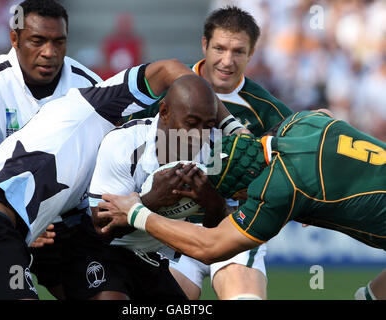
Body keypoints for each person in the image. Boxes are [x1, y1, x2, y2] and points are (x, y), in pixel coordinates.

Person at [0, 59, 239, 299]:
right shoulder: (95, 110)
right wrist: (234, 127)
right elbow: (168, 70)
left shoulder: (94, 149)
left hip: (11, 231)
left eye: (208, 126)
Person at [97, 110, 386, 300]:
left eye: (239, 195)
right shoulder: (301, 122)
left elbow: (208, 247)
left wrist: (136, 213)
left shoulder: (278, 190)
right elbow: (323, 113)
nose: (242, 200)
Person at [127, 6, 293, 300]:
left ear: (251, 53)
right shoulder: (165, 93)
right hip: (168, 232)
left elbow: (298, 165)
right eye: (219, 48)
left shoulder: (270, 111)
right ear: (204, 44)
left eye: (238, 51)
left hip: (235, 230)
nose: (227, 61)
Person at [0, 0, 103, 299]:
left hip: (63, 227)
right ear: (14, 40)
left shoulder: (89, 87)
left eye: (59, 41)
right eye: (37, 41)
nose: (49, 52)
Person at [87, 75, 227, 300]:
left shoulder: (213, 154)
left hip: (151, 255)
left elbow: (219, 234)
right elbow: (101, 227)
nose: (198, 135)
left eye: (208, 126)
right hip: (101, 250)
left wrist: (213, 203)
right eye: (191, 124)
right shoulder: (124, 144)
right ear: (164, 112)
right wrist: (152, 200)